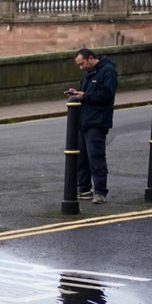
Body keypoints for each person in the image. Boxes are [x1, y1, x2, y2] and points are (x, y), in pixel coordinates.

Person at [66, 48, 118, 203]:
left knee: (96, 157)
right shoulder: (88, 74)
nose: (81, 68)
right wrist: (77, 93)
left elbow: (108, 94)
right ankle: (84, 189)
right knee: (81, 158)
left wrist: (85, 96)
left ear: (90, 58)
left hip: (97, 121)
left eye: (82, 64)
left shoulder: (108, 71)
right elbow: (85, 94)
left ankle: (100, 192)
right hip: (84, 120)